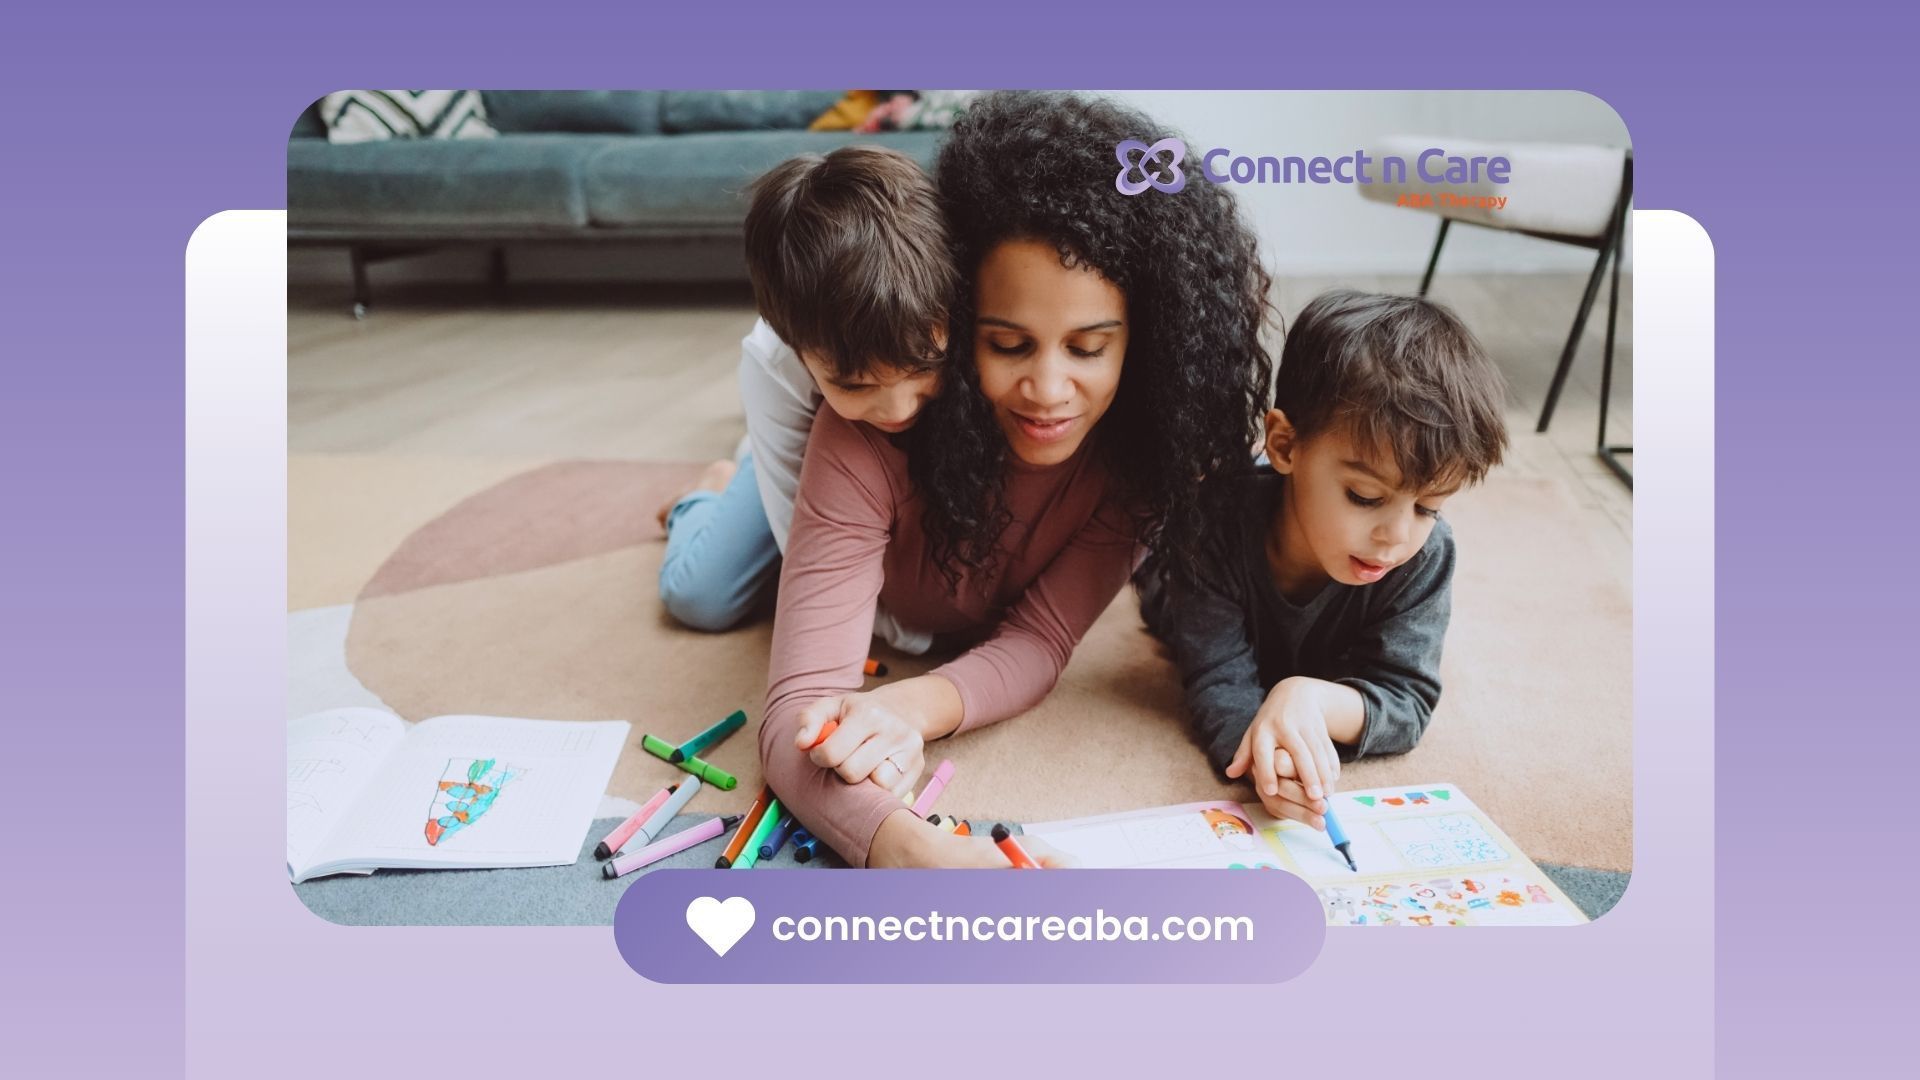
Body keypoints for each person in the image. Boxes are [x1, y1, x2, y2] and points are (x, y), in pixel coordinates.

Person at [759, 91, 1275, 867]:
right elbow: (796, 713)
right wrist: (915, 854)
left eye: (1089, 349)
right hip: (820, 493)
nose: (1048, 390)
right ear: (957, 321)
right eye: (1007, 344)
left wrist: (909, 705)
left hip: (916, 579)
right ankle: (726, 481)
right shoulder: (869, 426)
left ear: (1148, 342)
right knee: (710, 583)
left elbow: (1041, 638)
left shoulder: (1142, 458)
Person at [1137, 289, 1509, 832]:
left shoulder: (1424, 555)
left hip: (1309, 658)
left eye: (1429, 507)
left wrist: (1306, 698)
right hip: (1174, 582)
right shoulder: (1212, 520)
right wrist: (1273, 764)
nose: (1396, 536)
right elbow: (1218, 679)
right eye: (1364, 496)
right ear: (1285, 445)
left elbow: (1406, 699)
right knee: (1153, 561)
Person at [655, 145, 952, 652]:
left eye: (924, 366)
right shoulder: (772, 363)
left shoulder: (937, 293)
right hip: (796, 451)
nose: (899, 408)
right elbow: (812, 558)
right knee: (699, 597)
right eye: (855, 385)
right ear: (795, 348)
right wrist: (920, 636)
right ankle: (707, 493)